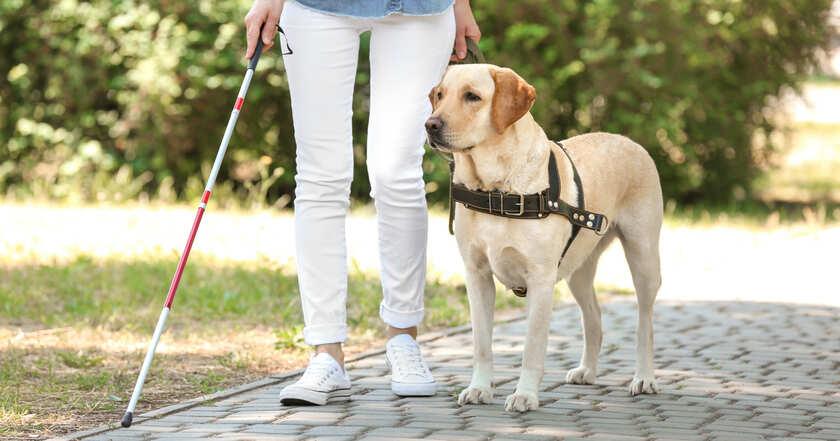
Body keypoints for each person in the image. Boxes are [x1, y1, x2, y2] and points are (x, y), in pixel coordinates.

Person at [243, 0, 480, 404]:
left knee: (396, 171)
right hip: (315, 7)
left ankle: (404, 338)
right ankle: (326, 353)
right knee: (320, 175)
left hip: (419, 7)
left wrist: (461, 4)